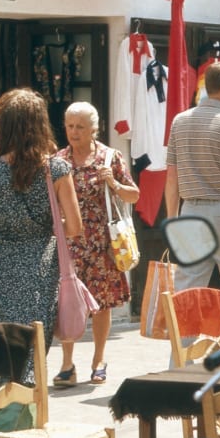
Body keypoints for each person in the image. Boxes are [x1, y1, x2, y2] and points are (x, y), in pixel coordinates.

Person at [0, 88, 83, 382]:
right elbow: (75, 228)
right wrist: (45, 227)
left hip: (4, 263)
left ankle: (7, 401)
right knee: (35, 341)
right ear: (40, 125)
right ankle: (30, 403)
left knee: (6, 339)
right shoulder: (57, 169)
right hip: (43, 264)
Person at [55, 102, 138, 387]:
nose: (74, 132)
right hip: (70, 243)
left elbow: (133, 195)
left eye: (80, 127)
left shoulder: (110, 157)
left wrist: (113, 183)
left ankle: (98, 359)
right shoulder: (58, 160)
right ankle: (67, 363)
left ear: (94, 129)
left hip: (103, 242)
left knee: (102, 305)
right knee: (67, 302)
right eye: (69, 126)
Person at [164, 59, 220, 306]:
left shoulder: (179, 121)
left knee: (187, 288)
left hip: (190, 212)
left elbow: (171, 178)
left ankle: (181, 345)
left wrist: (173, 219)